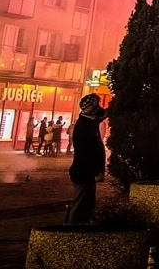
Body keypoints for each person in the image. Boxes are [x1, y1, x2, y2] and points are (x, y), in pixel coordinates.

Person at [67, 93, 107, 224]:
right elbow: (86, 153)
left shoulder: (89, 122)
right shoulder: (84, 127)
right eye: (96, 105)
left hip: (87, 174)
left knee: (87, 205)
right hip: (84, 174)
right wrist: (95, 172)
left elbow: (102, 115)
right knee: (80, 207)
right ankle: (73, 233)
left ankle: (81, 230)